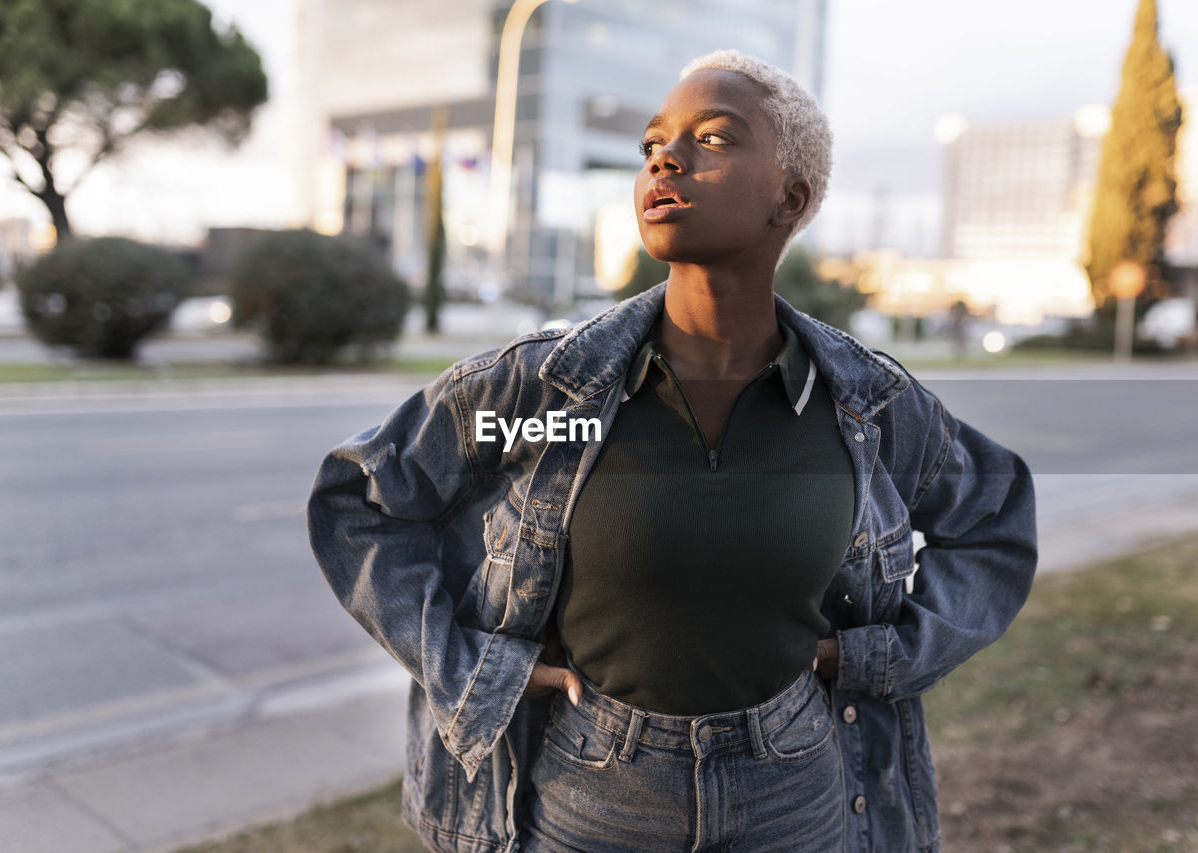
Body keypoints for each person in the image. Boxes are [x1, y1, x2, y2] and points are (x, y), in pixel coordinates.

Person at [308, 49, 1036, 853]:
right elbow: (365, 501)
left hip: (795, 786)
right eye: (654, 143)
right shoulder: (547, 394)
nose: (666, 158)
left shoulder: (864, 404)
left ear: (788, 198)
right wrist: (478, 670)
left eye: (714, 139)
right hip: (596, 792)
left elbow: (993, 517)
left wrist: (876, 656)